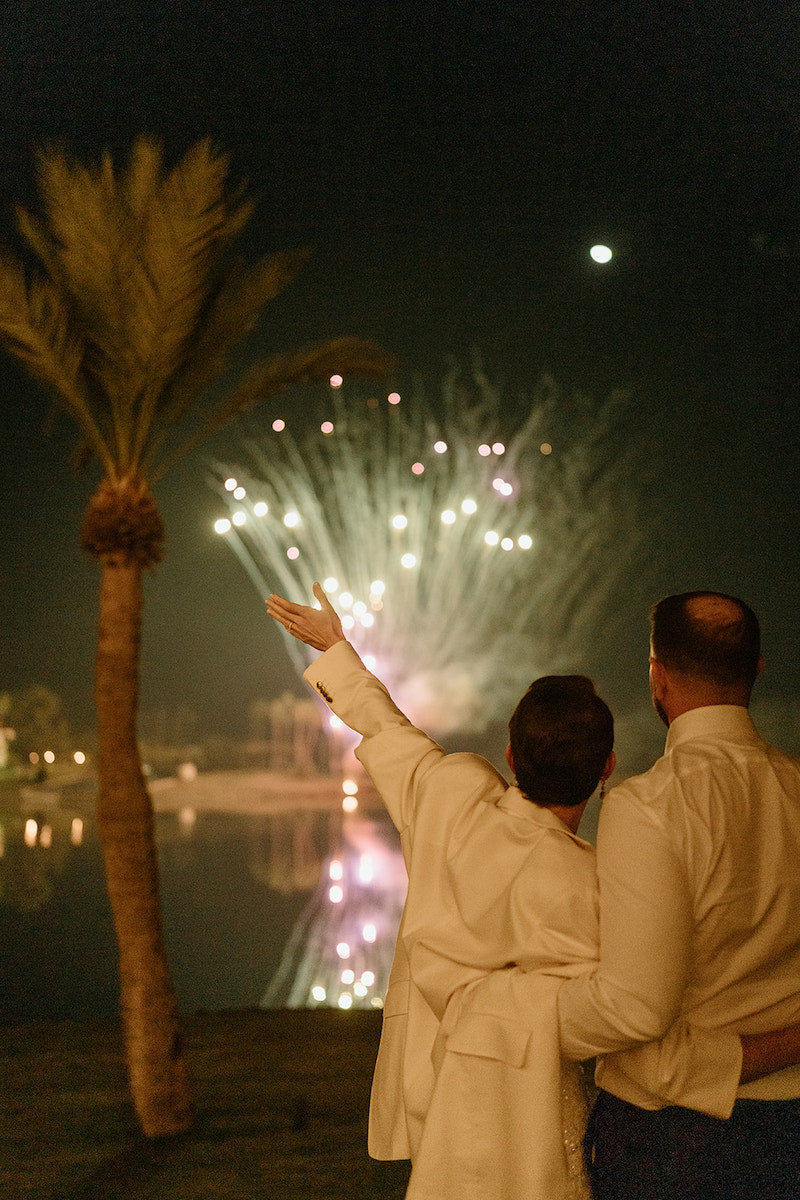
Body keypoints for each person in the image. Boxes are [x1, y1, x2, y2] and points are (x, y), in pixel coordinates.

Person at [266, 585, 792, 1199]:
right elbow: (626, 1014)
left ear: (512, 753)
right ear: (607, 768)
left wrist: (336, 647)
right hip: (538, 1114)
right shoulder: (594, 889)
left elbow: (388, 729)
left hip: (431, 1093)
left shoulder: (448, 801)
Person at [550, 591, 800, 1199]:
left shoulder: (646, 806)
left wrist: (516, 1015)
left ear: (658, 675)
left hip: (673, 1141)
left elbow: (634, 1006)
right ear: (757, 670)